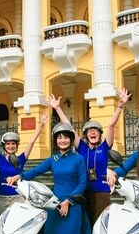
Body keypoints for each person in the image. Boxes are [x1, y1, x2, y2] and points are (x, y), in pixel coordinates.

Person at [6, 122, 88, 234]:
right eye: (59, 137)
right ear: (55, 140)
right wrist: (19, 176)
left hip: (72, 205)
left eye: (66, 137)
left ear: (71, 139)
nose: (62, 140)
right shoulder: (53, 159)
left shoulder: (78, 159)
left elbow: (82, 183)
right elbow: (35, 171)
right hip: (54, 205)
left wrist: (69, 201)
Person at [48, 88, 131, 226]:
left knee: (101, 224)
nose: (92, 132)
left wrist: (120, 105)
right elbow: (69, 128)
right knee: (84, 225)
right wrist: (57, 108)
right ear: (86, 135)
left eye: (95, 131)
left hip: (100, 192)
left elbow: (111, 126)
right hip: (82, 192)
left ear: (99, 134)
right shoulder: (82, 147)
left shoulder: (104, 147)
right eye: (89, 131)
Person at [0, 111, 48, 217]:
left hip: (18, 198)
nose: (10, 146)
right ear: (4, 146)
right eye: (8, 144)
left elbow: (31, 142)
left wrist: (41, 125)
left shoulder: (21, 159)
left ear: (16, 145)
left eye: (13, 144)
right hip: (2, 198)